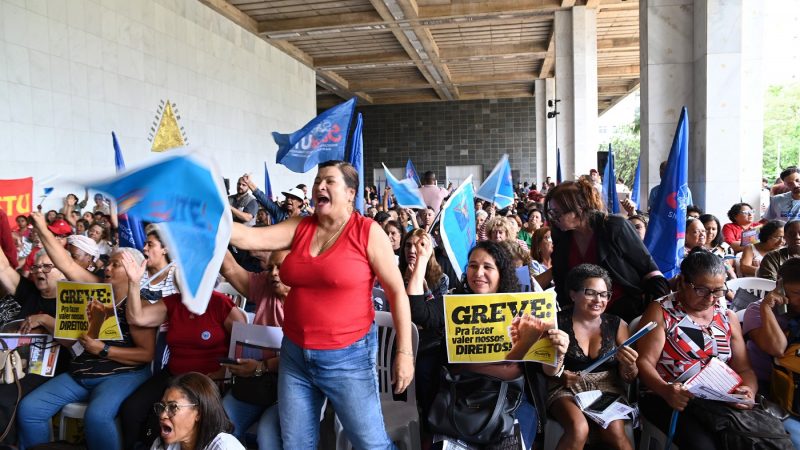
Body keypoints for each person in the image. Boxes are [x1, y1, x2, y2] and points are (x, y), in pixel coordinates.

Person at [229, 160, 414, 448]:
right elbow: (247, 236)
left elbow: (396, 292)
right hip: (295, 357)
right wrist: (203, 213)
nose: (319, 187)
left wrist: (404, 353)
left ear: (351, 193)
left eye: (329, 181)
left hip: (348, 359)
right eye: (317, 182)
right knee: (296, 444)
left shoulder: (367, 232)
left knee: (369, 444)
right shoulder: (299, 226)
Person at [18, 248, 156, 449]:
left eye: (115, 265)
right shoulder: (91, 298)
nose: (107, 268)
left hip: (123, 375)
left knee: (97, 417)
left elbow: (147, 354)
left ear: (131, 271)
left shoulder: (138, 305)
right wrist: (49, 322)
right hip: (81, 373)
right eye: (108, 263)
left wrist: (103, 350)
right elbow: (71, 342)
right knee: (30, 410)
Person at [120, 250, 246, 450]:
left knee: (168, 421)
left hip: (208, 380)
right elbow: (137, 317)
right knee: (132, 410)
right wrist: (133, 283)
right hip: (175, 376)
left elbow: (243, 341)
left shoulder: (220, 303)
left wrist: (225, 372)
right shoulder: (174, 302)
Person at [635, 249, 760, 448]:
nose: (711, 298)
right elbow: (644, 362)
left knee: (749, 440)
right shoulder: (661, 311)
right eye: (702, 290)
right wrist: (666, 390)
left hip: (719, 399)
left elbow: (744, 369)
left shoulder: (727, 316)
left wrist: (749, 392)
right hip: (670, 398)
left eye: (718, 290)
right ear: (683, 282)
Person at [448, 241, 569, 445]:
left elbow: (549, 372)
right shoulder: (452, 305)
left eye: (487, 267)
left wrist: (559, 352)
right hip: (462, 399)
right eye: (472, 265)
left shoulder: (527, 310)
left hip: (512, 401)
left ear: (501, 273)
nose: (478, 273)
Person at [544, 180, 670, 322]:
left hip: (627, 313)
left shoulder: (615, 227)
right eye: (550, 213)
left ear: (578, 208)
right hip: (584, 318)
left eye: (557, 213)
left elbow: (650, 271)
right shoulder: (562, 237)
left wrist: (654, 314)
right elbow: (561, 284)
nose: (553, 219)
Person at [547, 264, 637, 450]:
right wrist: (560, 375)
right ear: (573, 294)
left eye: (604, 294)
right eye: (590, 293)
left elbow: (629, 377)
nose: (599, 300)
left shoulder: (617, 324)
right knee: (578, 428)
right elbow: (543, 367)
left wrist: (630, 365)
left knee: (615, 431)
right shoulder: (556, 322)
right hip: (565, 388)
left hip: (607, 388)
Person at [220, 249, 290, 449]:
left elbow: (303, 355)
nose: (274, 273)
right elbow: (230, 267)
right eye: (270, 268)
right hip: (257, 385)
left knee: (267, 433)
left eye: (281, 267)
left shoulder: (310, 300)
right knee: (222, 422)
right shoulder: (265, 285)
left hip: (292, 388)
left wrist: (261, 366)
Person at [0, 248, 70, 446]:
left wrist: (45, 320)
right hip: (15, 364)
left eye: (48, 267)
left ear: (63, 270)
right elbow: (3, 267)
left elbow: (72, 338)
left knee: (4, 396)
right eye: (36, 267)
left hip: (51, 370)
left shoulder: (71, 299)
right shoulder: (30, 292)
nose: (40, 271)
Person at [743, 257, 800, 447]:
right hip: (765, 387)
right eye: (797, 293)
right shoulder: (755, 310)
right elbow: (777, 348)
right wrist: (767, 308)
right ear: (780, 287)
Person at [151, 372, 244, 450]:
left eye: (173, 407)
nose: (163, 415)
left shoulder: (225, 447)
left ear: (199, 412)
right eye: (162, 406)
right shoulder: (161, 445)